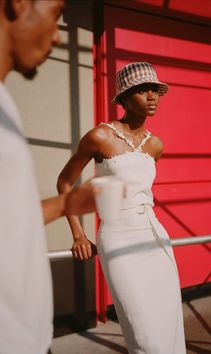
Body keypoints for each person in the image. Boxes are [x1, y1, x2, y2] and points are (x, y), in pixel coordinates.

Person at [57, 62, 186, 353]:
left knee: (168, 323)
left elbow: (138, 190)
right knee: (143, 332)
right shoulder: (99, 136)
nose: (152, 96)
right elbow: (65, 183)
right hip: (118, 238)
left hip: (154, 236)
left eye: (155, 90)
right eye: (142, 90)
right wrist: (78, 234)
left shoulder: (156, 145)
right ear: (124, 98)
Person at [0, 1, 97, 353]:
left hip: (30, 334)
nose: (58, 37)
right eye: (56, 14)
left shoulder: (6, 104)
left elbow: (8, 220)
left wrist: (65, 204)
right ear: (19, 4)